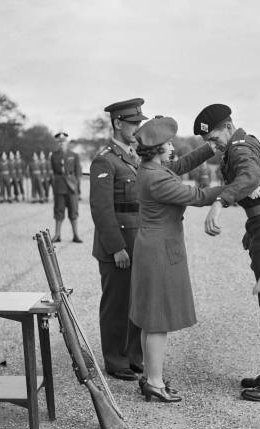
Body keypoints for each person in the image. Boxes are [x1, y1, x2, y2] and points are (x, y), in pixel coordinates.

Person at [194, 103, 260, 401]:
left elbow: (250, 177)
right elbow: (251, 180)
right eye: (208, 142)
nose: (213, 145)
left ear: (228, 126)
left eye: (214, 138)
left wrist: (219, 202)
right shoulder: (241, 144)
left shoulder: (238, 147)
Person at [128, 116, 223, 402]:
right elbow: (199, 195)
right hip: (160, 249)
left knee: (149, 318)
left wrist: (209, 148)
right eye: (168, 143)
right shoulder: (156, 178)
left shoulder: (150, 168)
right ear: (157, 149)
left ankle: (149, 376)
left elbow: (180, 167)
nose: (172, 147)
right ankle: (155, 383)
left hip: (153, 245)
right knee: (158, 320)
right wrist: (236, 191)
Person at [89, 98, 148, 381]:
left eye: (140, 122)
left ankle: (134, 356)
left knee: (136, 302)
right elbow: (101, 209)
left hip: (138, 243)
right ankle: (115, 359)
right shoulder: (105, 159)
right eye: (134, 123)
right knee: (117, 305)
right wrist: (117, 248)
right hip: (118, 246)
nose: (138, 128)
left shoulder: (135, 158)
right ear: (117, 123)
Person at [51, 132, 82, 243]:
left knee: (73, 211)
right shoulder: (53, 156)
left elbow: (78, 173)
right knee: (59, 211)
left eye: (63, 142)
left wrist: (78, 189)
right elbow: (53, 173)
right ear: (57, 143)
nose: (61, 144)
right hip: (59, 187)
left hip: (72, 187)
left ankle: (76, 235)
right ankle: (57, 235)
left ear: (67, 142)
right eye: (59, 142)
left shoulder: (74, 155)